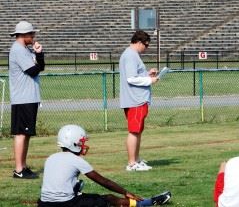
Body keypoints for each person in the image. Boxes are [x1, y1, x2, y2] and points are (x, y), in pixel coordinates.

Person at [38, 124, 171, 207]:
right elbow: (103, 181)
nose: (83, 145)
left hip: (43, 204)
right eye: (81, 142)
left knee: (80, 189)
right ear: (74, 143)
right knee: (109, 198)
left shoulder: (50, 158)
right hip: (66, 204)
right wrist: (126, 192)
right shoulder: (76, 160)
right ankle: (146, 203)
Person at [9, 21, 45, 179]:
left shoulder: (25, 49)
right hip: (22, 98)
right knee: (21, 134)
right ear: (23, 35)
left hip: (29, 97)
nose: (33, 36)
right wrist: (38, 58)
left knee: (26, 133)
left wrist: (38, 54)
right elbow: (33, 70)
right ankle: (19, 170)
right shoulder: (18, 50)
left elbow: (40, 67)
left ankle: (23, 166)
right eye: (31, 34)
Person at [119, 30, 159, 171]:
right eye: (146, 45)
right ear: (139, 42)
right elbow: (131, 78)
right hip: (135, 99)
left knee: (138, 131)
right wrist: (150, 80)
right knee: (134, 131)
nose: (146, 48)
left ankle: (136, 159)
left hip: (138, 99)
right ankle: (131, 163)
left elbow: (135, 75)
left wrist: (147, 74)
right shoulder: (130, 55)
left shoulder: (132, 55)